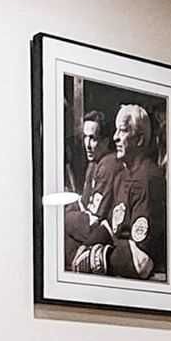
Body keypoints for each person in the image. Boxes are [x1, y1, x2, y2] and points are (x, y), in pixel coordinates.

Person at [73, 103, 166, 280]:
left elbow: (143, 262)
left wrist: (99, 258)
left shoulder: (148, 179)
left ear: (139, 139)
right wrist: (86, 246)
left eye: (122, 131)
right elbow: (111, 225)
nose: (115, 137)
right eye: (116, 131)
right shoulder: (122, 175)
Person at [62, 109, 120, 268]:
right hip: (89, 228)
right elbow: (84, 204)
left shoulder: (108, 165)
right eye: (85, 137)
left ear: (105, 141)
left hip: (103, 235)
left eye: (93, 138)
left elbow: (93, 221)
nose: (87, 144)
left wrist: (65, 216)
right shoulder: (94, 163)